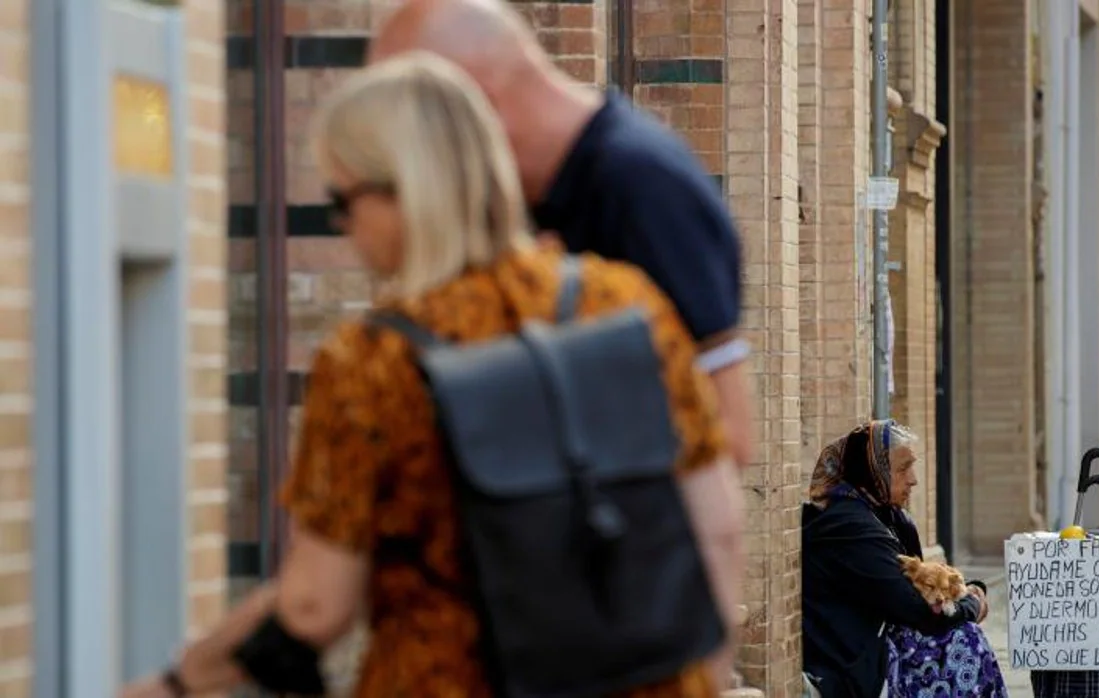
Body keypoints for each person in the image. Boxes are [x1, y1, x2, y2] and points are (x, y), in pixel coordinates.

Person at [119, 53, 742, 698]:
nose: (341, 227)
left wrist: (177, 681)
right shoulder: (626, 305)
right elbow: (715, 523)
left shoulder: (372, 363)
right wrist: (706, 674)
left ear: (403, 193)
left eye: (344, 199)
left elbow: (314, 607)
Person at [368, 0, 754, 470]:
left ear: (476, 100)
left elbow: (727, 434)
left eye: (412, 125)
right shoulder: (538, 190)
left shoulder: (642, 187)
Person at [801, 420, 1007, 698]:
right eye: (902, 469)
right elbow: (918, 611)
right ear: (872, 473)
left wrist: (965, 592)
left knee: (963, 635)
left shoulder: (888, 517)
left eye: (912, 466)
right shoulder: (849, 526)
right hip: (851, 663)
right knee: (964, 641)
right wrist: (972, 603)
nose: (913, 479)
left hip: (880, 646)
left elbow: (920, 592)